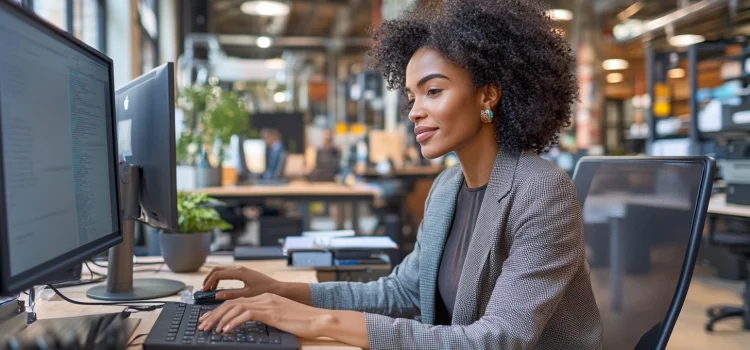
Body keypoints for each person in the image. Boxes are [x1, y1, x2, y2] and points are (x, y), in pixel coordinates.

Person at [197, 0, 603, 349]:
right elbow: (402, 293)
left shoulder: (542, 191)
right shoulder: (447, 188)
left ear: (487, 94)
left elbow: (497, 339)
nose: (414, 111)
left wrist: (318, 321)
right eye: (411, 97)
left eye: (433, 91)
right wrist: (282, 290)